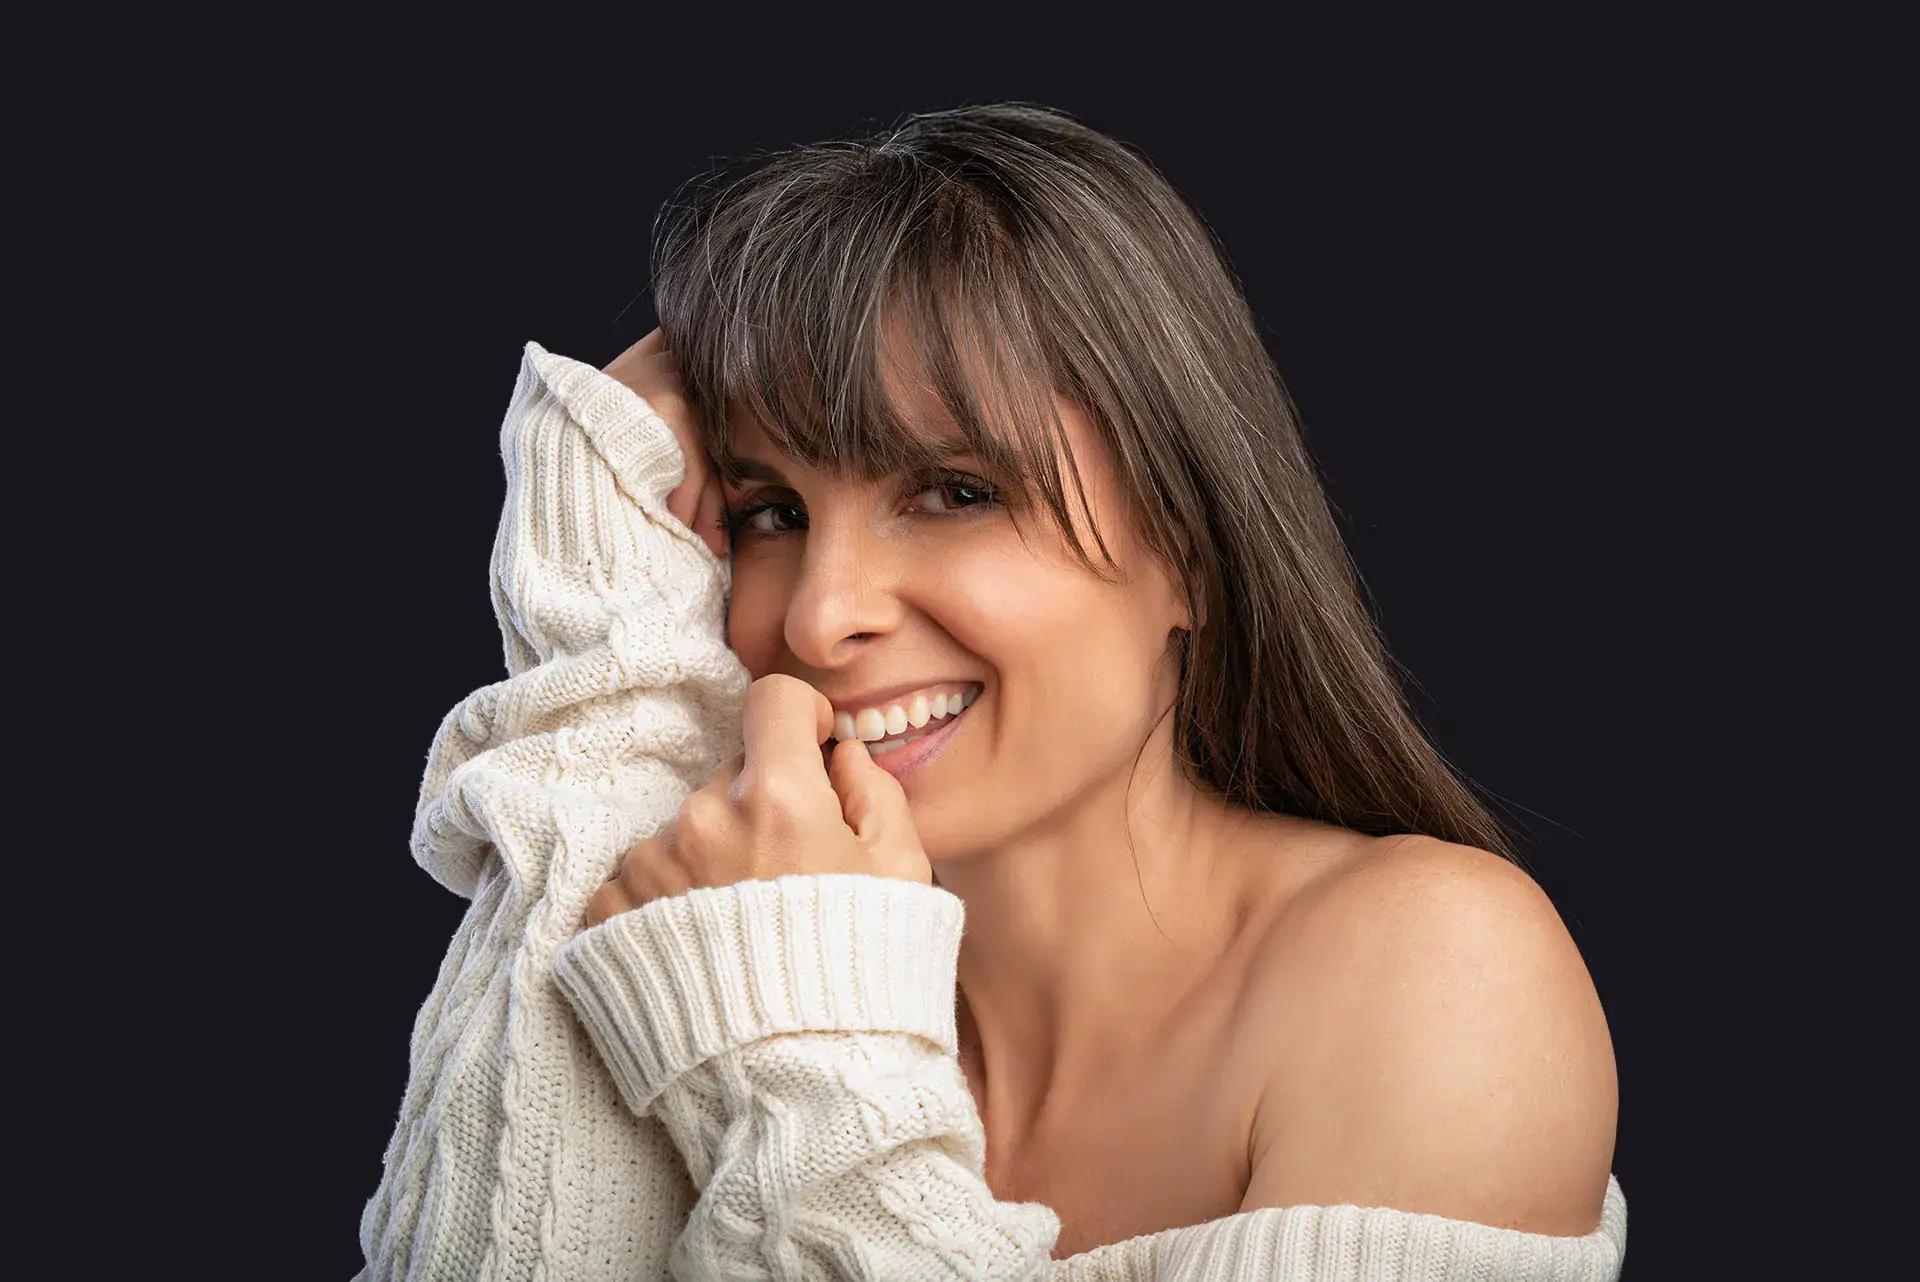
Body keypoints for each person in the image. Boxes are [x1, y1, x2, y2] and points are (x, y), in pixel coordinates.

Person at [357, 103, 1626, 1280]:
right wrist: (616, 685)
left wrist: (801, 1039)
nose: (817, 613)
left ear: (1192, 542)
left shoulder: (1431, 971)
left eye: (955, 492)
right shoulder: (711, 919)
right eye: (770, 511)